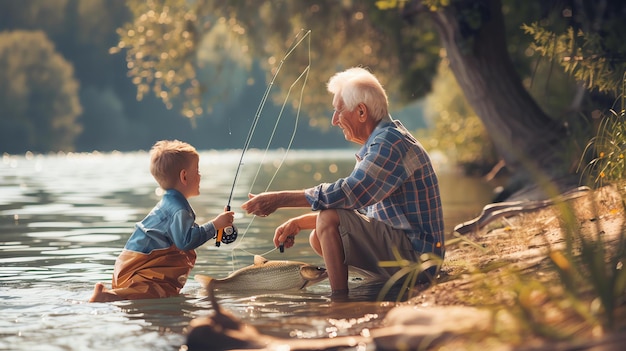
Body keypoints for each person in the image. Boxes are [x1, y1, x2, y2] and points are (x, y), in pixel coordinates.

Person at [241, 67, 444, 297]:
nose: (334, 120)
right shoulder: (380, 142)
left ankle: (339, 302)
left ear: (360, 112)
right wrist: (298, 222)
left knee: (327, 219)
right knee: (318, 233)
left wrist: (280, 199)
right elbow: (357, 209)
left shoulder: (390, 143)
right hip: (408, 254)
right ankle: (368, 290)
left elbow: (350, 193)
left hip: (420, 262)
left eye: (338, 110)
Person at [89, 140, 235, 302]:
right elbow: (186, 241)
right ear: (184, 176)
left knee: (161, 291)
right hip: (139, 268)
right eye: (197, 171)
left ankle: (115, 294)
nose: (200, 176)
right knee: (151, 293)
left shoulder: (171, 203)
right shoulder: (179, 209)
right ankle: (107, 296)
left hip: (130, 266)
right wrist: (215, 225)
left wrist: (215, 228)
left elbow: (186, 234)